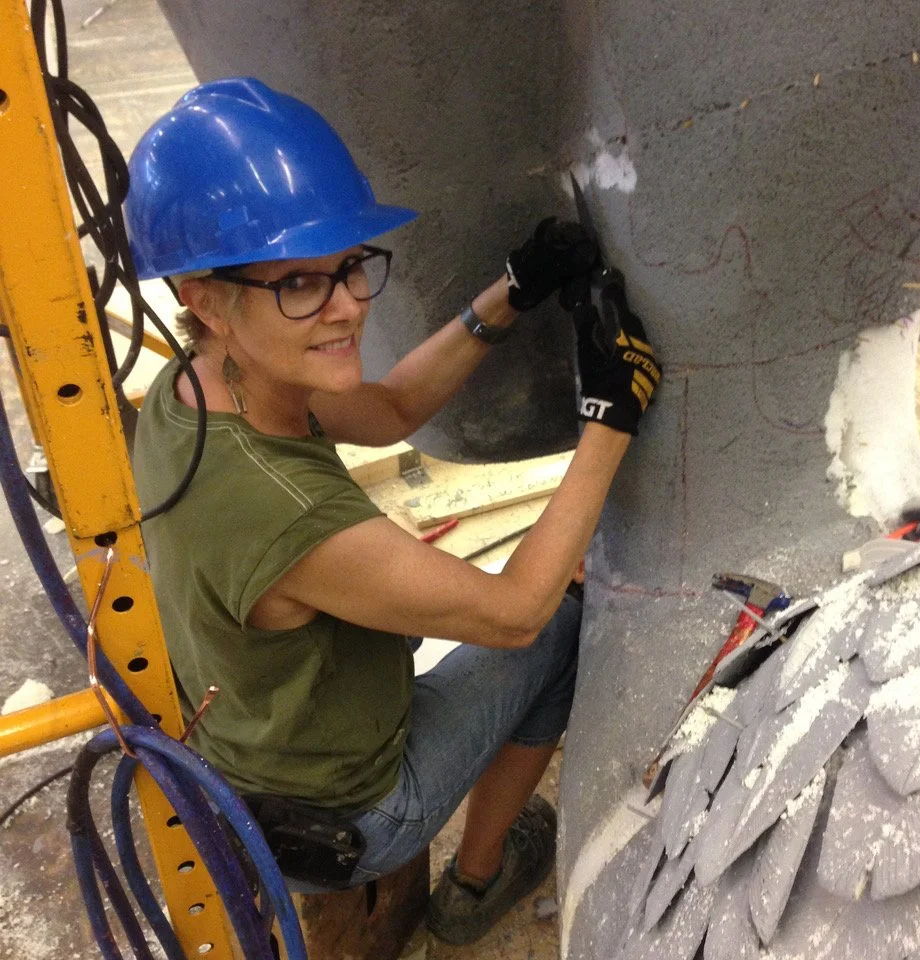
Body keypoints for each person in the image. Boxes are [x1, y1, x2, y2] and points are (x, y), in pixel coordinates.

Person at [126, 77, 660, 944]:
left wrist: (510, 291)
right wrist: (610, 418)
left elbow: (388, 411)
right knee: (559, 628)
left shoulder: (197, 386)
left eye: (349, 265)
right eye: (300, 283)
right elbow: (515, 613)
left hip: (254, 751)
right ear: (202, 298)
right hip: (350, 815)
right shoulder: (285, 510)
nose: (347, 305)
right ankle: (477, 882)